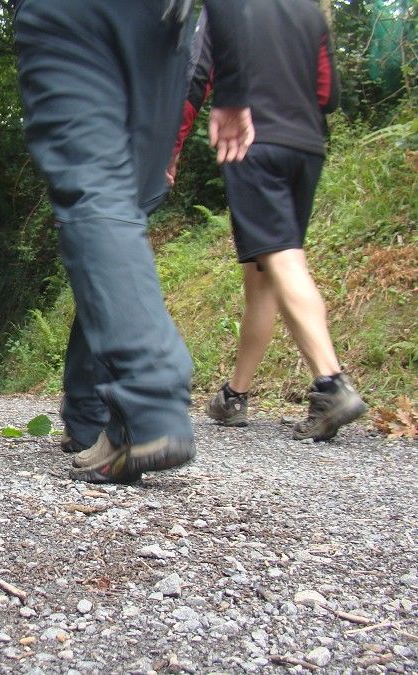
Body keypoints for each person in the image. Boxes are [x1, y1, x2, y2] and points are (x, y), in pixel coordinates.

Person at [0, 0, 254, 482]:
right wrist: (232, 77)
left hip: (72, 16)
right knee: (118, 215)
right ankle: (104, 419)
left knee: (98, 200)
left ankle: (147, 397)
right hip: (165, 29)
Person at [170, 0, 367, 440]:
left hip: (252, 144)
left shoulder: (227, 9)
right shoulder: (310, 12)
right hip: (307, 147)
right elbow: (327, 93)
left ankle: (331, 381)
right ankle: (234, 395)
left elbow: (196, 77)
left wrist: (172, 147)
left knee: (283, 260)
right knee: (264, 273)